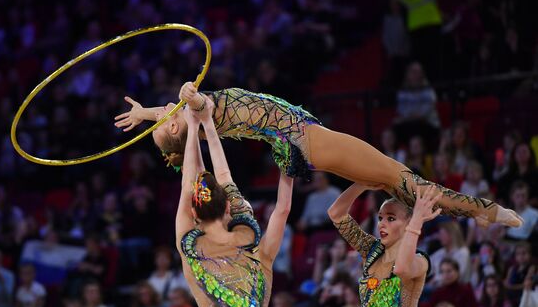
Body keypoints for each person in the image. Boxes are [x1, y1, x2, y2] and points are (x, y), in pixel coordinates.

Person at [114, 82, 522, 228]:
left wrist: (147, 112)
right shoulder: (200, 113)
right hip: (311, 141)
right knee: (405, 180)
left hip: (310, 141)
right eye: (162, 118)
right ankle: (487, 212)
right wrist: (191, 96)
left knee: (391, 183)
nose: (163, 111)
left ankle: (475, 215)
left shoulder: (192, 122)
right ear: (172, 126)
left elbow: (179, 114)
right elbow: (194, 105)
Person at [173, 99, 293, 307]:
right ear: (228, 207)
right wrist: (203, 122)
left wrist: (194, 125)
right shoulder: (252, 245)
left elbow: (188, 184)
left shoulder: (191, 248)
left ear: (194, 214)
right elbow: (281, 208)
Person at [327, 182, 442, 307]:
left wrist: (417, 221)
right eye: (380, 218)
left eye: (391, 218)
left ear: (409, 222)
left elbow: (401, 269)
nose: (381, 224)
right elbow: (336, 213)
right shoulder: (371, 250)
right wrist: (362, 183)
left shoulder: (420, 261)